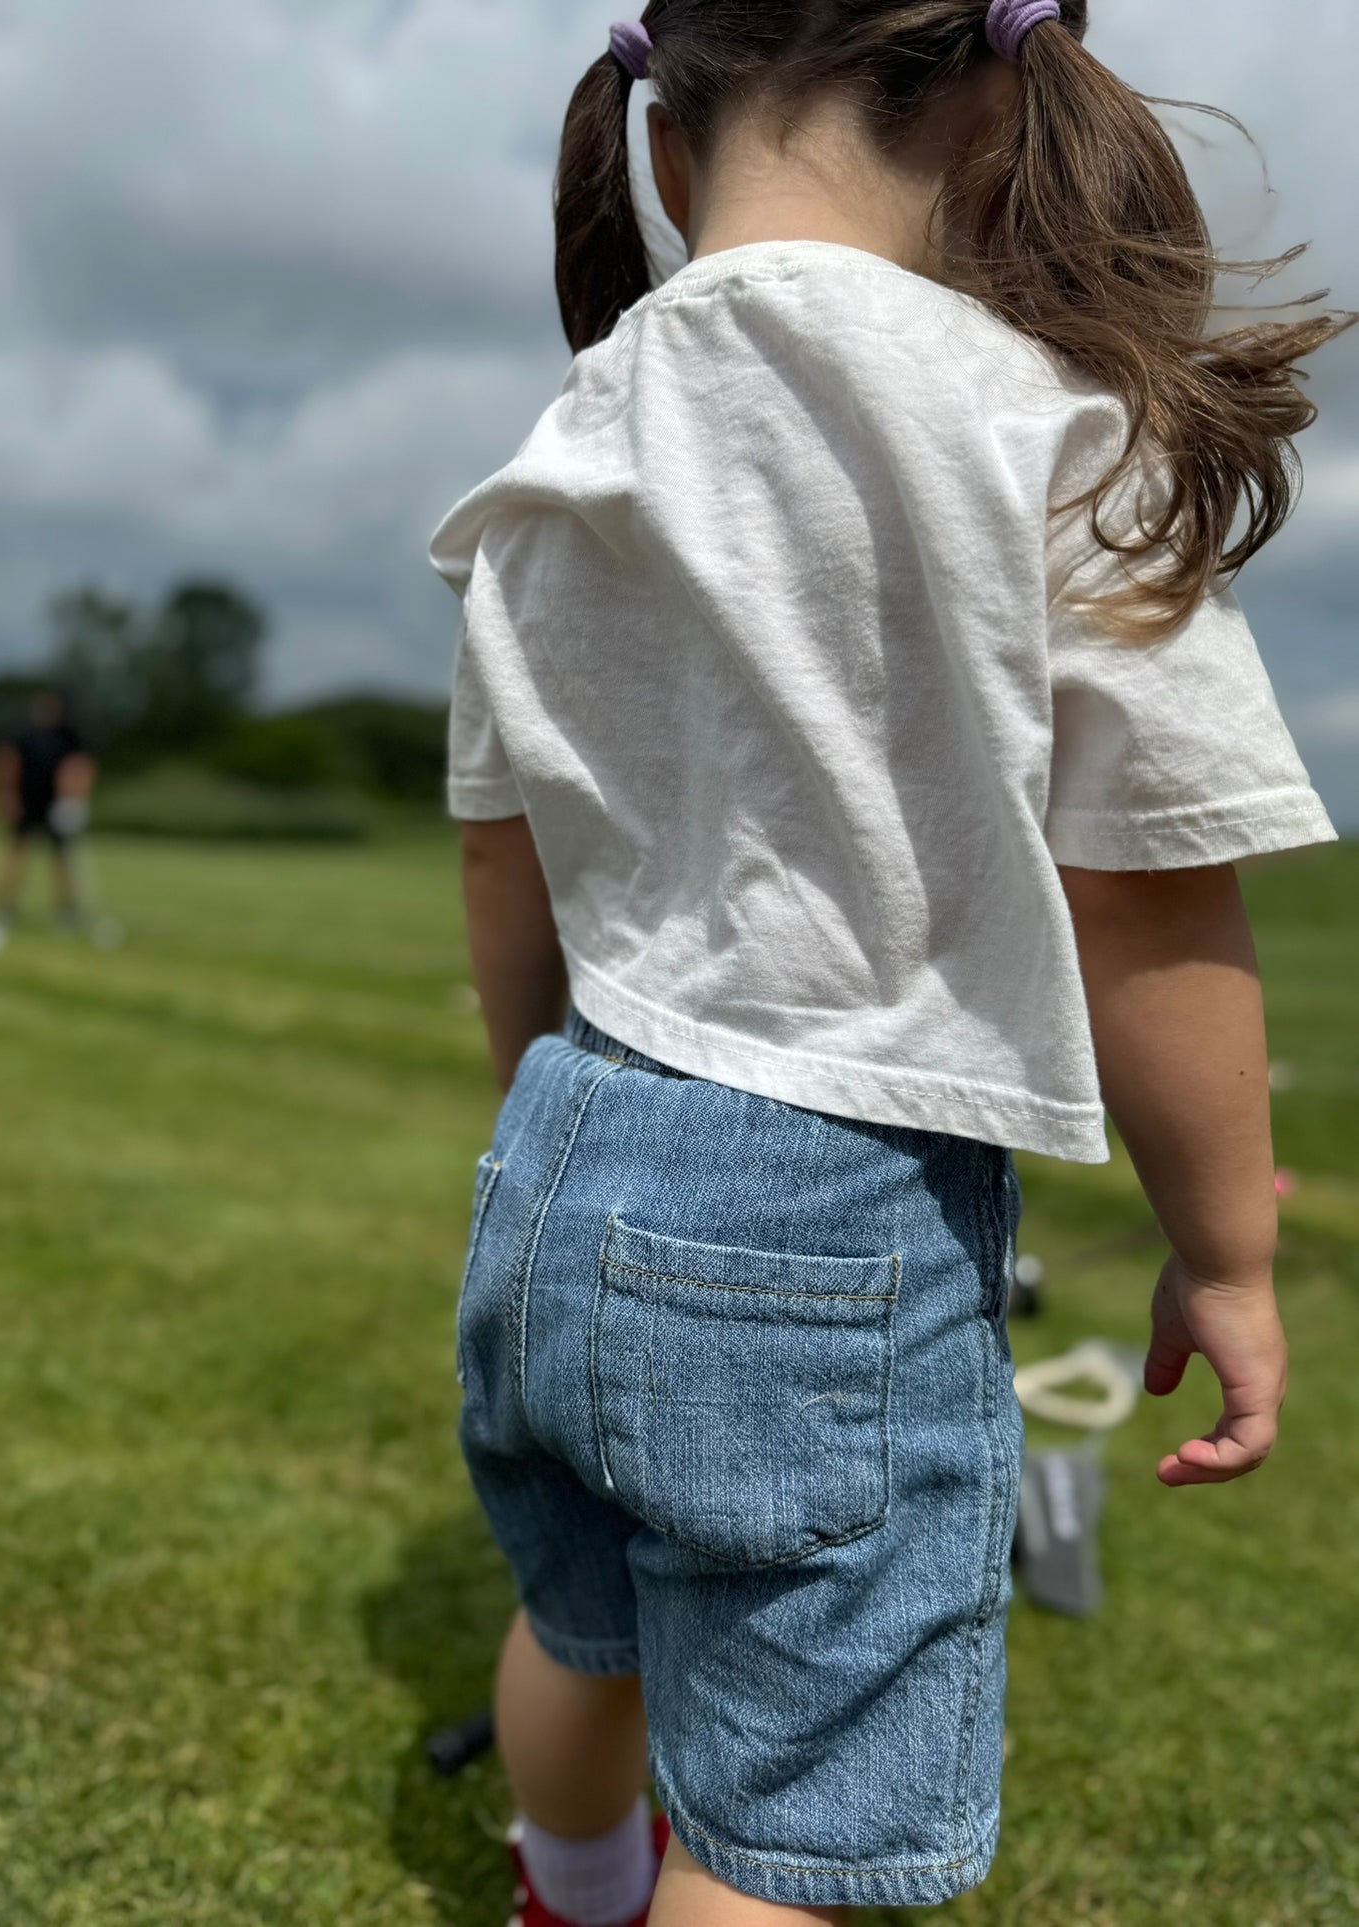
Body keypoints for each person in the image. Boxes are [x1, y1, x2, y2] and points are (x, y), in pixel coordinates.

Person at [429, 4, 1347, 1922]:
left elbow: (504, 855)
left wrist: (540, 1095)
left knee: (579, 1620)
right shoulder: (1045, 427)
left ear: (665, 149)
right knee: (791, 1830)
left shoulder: (568, 430)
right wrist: (1229, 1252)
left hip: (560, 1150)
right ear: (1006, 119)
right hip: (830, 1201)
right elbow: (1155, 902)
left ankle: (570, 1888)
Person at [0, 686, 97, 928]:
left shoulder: (69, 736)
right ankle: (3, 908)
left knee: (63, 858)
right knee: (16, 852)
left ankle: (67, 911)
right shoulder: (23, 734)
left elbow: (80, 766)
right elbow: (3, 761)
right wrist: (5, 795)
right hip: (27, 802)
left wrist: (75, 801)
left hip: (57, 806)